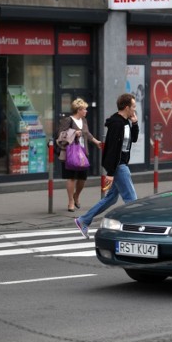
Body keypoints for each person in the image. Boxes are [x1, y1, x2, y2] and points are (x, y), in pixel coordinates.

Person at [75, 93, 139, 239]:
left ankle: (83, 220)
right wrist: (110, 172)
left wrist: (135, 123)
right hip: (119, 166)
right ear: (127, 107)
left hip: (119, 164)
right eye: (133, 107)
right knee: (132, 201)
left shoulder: (126, 122)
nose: (135, 110)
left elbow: (133, 140)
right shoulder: (117, 124)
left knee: (111, 199)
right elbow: (112, 149)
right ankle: (133, 230)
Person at [57, 98, 102, 212]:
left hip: (82, 152)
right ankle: (70, 201)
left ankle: (76, 195)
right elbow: (61, 135)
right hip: (70, 153)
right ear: (79, 110)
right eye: (84, 109)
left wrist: (96, 142)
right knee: (71, 177)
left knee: (82, 178)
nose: (86, 111)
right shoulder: (68, 120)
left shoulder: (84, 120)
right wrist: (73, 133)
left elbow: (88, 134)